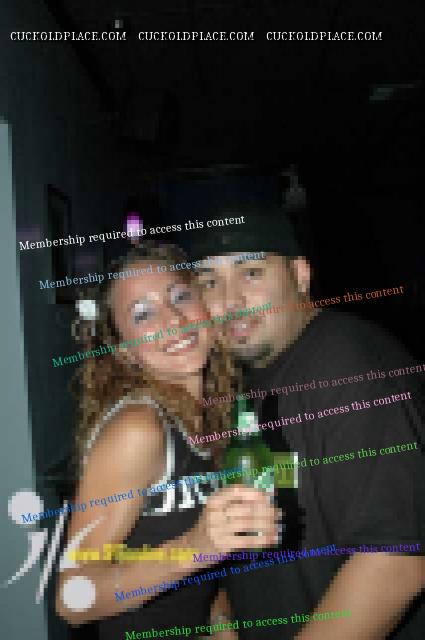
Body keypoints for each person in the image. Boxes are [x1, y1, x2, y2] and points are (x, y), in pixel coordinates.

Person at [192, 206, 425, 639]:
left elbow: (394, 561)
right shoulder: (241, 380)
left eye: (251, 273)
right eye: (209, 282)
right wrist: (224, 615)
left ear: (300, 275)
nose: (229, 301)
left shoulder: (350, 367)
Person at [55, 243, 279, 639]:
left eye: (180, 297)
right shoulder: (138, 428)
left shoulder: (213, 413)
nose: (173, 319)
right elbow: (72, 600)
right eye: (143, 314)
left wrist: (220, 621)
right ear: (125, 351)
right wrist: (196, 547)